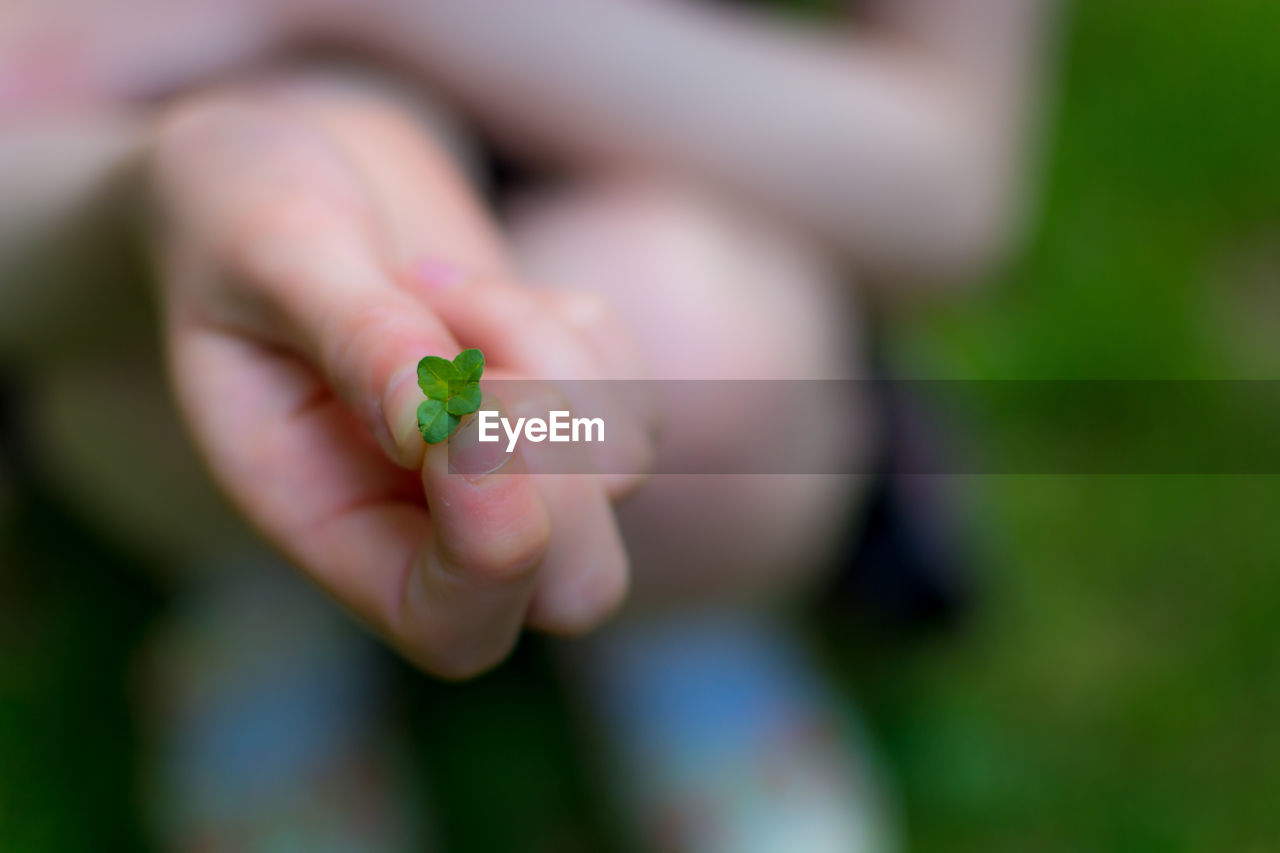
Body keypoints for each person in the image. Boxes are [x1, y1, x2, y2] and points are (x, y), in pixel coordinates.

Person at [0, 1, 1054, 849]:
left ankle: (686, 622)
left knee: (678, 359)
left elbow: (953, 187)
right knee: (291, 370)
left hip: (680, 171)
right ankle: (265, 603)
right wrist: (162, 198)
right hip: (154, 255)